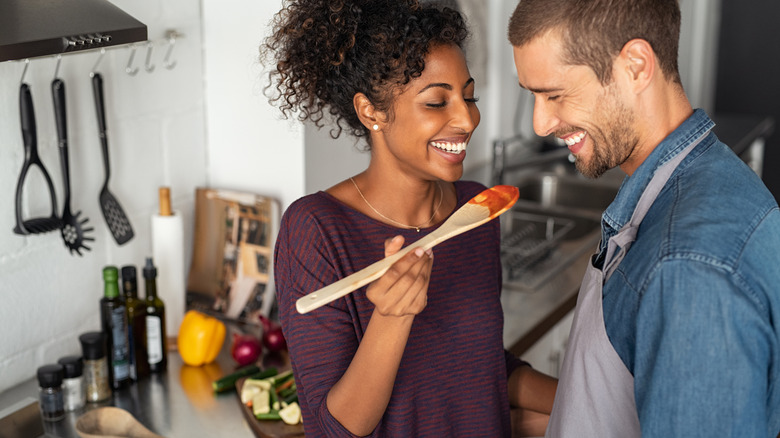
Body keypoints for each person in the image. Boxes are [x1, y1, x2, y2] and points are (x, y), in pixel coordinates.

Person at [264, 0, 557, 436]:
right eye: (437, 102)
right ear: (372, 112)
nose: (467, 118)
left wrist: (593, 395)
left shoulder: (475, 211)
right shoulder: (316, 230)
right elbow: (333, 429)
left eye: (469, 96)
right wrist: (391, 318)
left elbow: (480, 367)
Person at [507, 0, 780, 436]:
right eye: (532, 96)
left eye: (554, 94)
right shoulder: (708, 177)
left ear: (635, 65)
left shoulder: (688, 267)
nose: (540, 123)